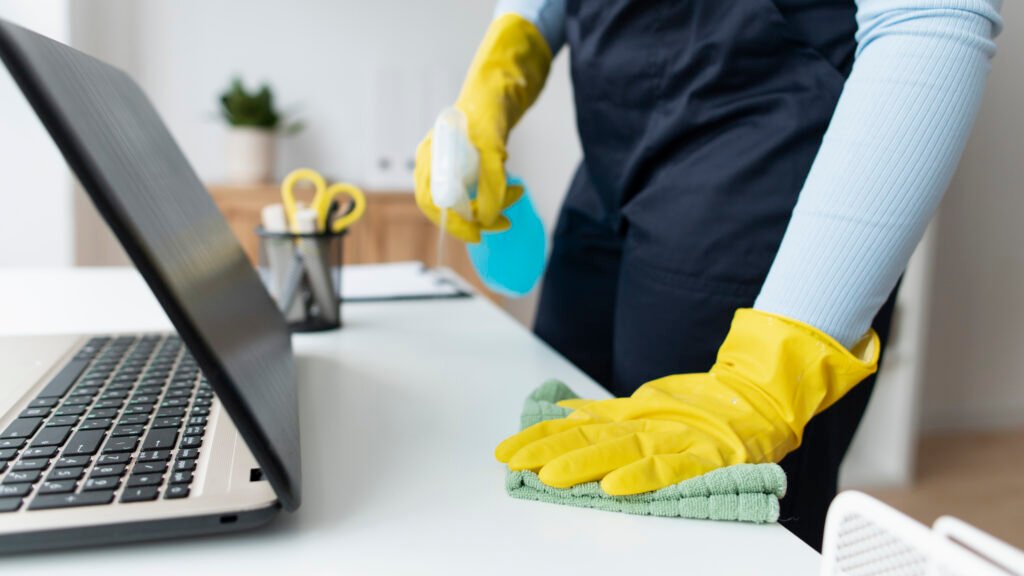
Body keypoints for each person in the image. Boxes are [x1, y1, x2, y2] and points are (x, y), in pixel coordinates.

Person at [414, 0, 1003, 549]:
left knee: (702, 527)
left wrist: (766, 381)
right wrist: (506, 58)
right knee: (559, 468)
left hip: (762, 146)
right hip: (611, 149)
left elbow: (931, 14)